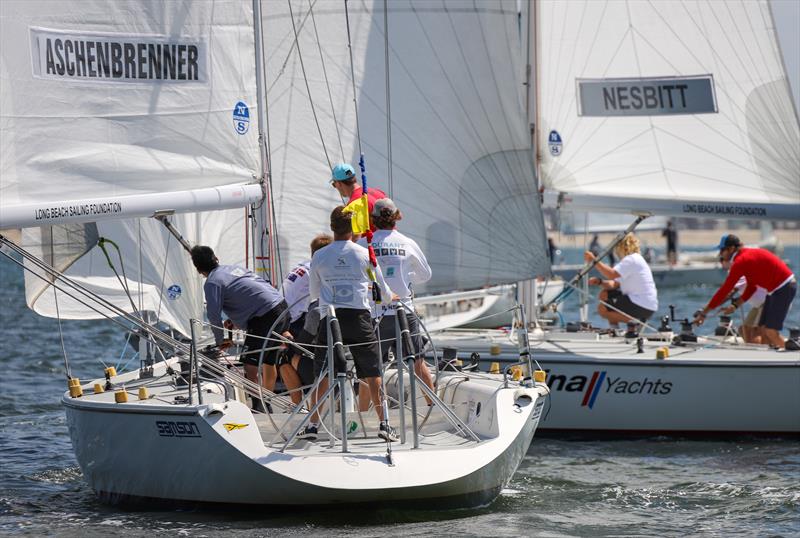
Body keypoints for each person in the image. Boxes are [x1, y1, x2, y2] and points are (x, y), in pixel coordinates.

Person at [300, 206, 397, 442]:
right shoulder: (365, 254)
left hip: (330, 320)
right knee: (372, 371)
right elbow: (383, 293)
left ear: (332, 227)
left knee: (323, 373)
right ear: (353, 228)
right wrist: (391, 296)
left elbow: (314, 293)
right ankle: (384, 423)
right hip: (359, 319)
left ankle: (313, 427)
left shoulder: (319, 257)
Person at [190, 246, 291, 395]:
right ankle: (267, 403)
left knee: (250, 366)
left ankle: (258, 406)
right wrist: (234, 319)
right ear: (215, 258)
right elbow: (250, 293)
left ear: (198, 270)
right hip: (282, 307)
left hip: (265, 317)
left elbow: (213, 316)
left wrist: (220, 341)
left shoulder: (212, 282)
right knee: (268, 361)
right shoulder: (232, 269)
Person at [367, 198, 435, 404]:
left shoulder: (364, 244)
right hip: (404, 311)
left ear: (373, 219)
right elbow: (425, 275)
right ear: (396, 218)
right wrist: (405, 276)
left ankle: (363, 416)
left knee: (371, 369)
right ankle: (434, 406)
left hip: (376, 314)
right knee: (417, 362)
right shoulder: (408, 243)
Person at [693, 234, 796, 349]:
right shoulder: (745, 257)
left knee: (770, 330)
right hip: (776, 290)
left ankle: (794, 357)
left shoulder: (740, 262)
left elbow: (724, 290)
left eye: (722, 250)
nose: (720, 254)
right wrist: (735, 305)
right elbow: (752, 287)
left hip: (784, 287)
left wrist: (704, 312)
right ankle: (769, 359)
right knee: (762, 329)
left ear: (731, 249)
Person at [280, 234, 333, 404]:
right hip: (294, 318)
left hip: (289, 317)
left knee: (285, 359)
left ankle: (300, 406)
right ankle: (308, 404)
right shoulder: (319, 272)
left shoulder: (304, 267)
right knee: (299, 355)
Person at [584, 233, 658, 328]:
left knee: (602, 309)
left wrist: (594, 260)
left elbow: (612, 274)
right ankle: (615, 329)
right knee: (605, 294)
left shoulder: (631, 259)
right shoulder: (636, 260)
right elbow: (615, 284)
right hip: (647, 305)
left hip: (641, 304)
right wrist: (600, 282)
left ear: (622, 247)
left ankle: (636, 323)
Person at [329, 162, 386, 231]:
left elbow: (355, 237)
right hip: (393, 241)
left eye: (334, 184)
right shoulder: (379, 193)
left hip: (372, 241)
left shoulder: (353, 205)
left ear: (339, 183)